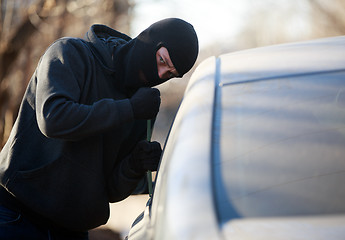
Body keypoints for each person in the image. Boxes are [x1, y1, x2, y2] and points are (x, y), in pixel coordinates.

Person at [0, 18, 198, 239]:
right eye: (162, 61)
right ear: (148, 40)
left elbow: (111, 190)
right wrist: (128, 109)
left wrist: (133, 166)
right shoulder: (70, 53)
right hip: (15, 214)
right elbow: (53, 118)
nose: (161, 75)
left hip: (72, 230)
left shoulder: (141, 107)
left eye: (170, 74)